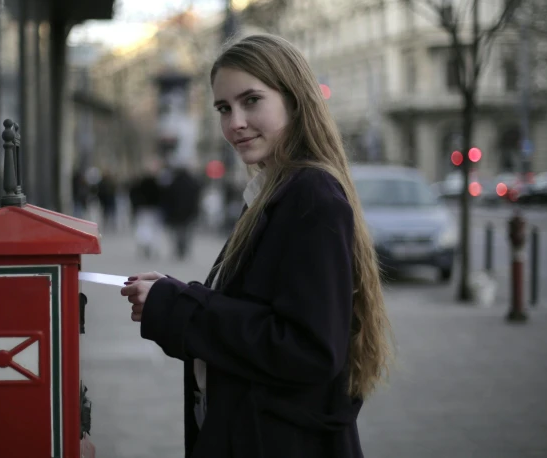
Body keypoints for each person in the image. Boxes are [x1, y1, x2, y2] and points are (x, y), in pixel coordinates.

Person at [120, 34, 393, 458]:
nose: (234, 123)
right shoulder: (277, 190)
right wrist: (174, 293)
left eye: (251, 101)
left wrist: (178, 308)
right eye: (224, 108)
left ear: (295, 100)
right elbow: (260, 308)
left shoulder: (310, 195)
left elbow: (309, 349)